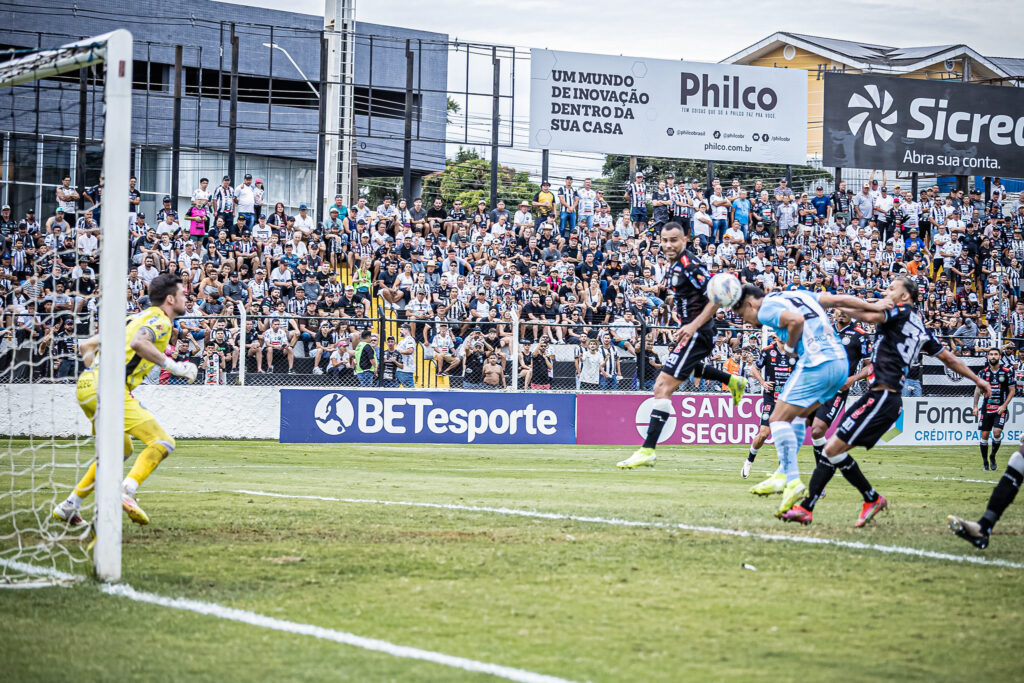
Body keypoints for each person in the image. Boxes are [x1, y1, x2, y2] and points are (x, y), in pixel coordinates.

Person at [782, 276, 991, 527]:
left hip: (883, 397)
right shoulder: (921, 328)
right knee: (833, 450)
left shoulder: (900, 312)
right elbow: (950, 359)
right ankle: (852, 501)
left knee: (832, 450)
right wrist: (977, 379)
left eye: (892, 288)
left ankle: (824, 505)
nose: (887, 291)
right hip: (877, 397)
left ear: (905, 297)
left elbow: (869, 317)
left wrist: (823, 304)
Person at [52, 273, 198, 528]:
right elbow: (139, 343)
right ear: (170, 298)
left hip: (87, 387)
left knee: (119, 451)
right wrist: (175, 367)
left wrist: (94, 375)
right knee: (163, 441)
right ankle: (125, 491)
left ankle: (69, 506)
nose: (187, 298)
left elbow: (86, 345)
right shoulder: (160, 321)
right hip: (108, 389)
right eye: (184, 294)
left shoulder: (134, 318)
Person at [616, 223, 747, 470]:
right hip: (693, 330)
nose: (668, 245)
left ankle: (647, 450)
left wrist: (692, 325)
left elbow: (715, 297)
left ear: (686, 239)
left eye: (673, 240)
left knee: (661, 386)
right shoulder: (675, 265)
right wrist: (657, 292)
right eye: (664, 240)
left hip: (699, 332)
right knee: (681, 369)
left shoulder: (691, 264)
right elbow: (679, 293)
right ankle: (732, 381)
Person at [730, 284, 858, 517]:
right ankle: (782, 474)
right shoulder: (795, 295)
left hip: (817, 362)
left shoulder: (766, 308)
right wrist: (875, 307)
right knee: (797, 418)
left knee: (777, 418)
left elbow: (796, 321)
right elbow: (838, 299)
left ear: (750, 304)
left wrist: (789, 347)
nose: (746, 321)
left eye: (742, 316)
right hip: (840, 364)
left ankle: (790, 480)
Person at [808, 309, 873, 473]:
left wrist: (853, 379)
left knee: (817, 430)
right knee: (803, 429)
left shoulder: (860, 335)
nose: (842, 313)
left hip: (837, 390)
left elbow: (870, 365)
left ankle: (821, 470)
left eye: (846, 311)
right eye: (839, 310)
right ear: (834, 313)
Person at [743, 336, 796, 479]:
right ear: (775, 336)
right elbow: (754, 369)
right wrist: (763, 382)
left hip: (787, 400)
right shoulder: (767, 351)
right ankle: (749, 460)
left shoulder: (795, 352)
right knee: (764, 434)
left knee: (784, 435)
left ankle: (782, 471)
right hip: (771, 398)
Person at [974, 347, 1016, 471]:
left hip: (1000, 409)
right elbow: (977, 390)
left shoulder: (1007, 371)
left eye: (995, 354)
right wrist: (975, 406)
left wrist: (1004, 406)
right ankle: (985, 462)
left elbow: (1012, 391)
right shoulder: (983, 372)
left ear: (1000, 357)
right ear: (987, 357)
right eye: (991, 354)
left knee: (997, 433)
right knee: (985, 435)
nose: (993, 356)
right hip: (986, 409)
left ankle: (992, 456)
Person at [395, 323, 417, 388]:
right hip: (399, 369)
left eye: (402, 329)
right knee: (392, 388)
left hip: (406, 370)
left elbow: (410, 351)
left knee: (411, 391)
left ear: (407, 330)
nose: (400, 331)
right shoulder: (402, 340)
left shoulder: (409, 339)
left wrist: (399, 351)